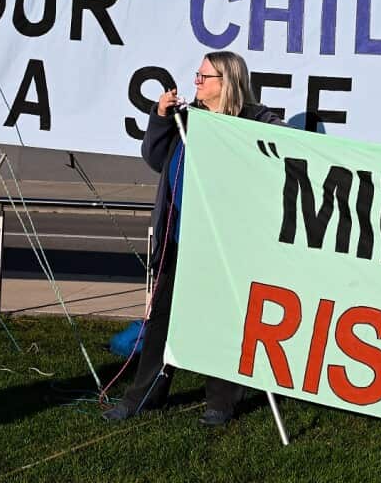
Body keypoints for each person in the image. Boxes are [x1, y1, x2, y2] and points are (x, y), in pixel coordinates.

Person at [103, 51, 284, 425]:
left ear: (227, 82)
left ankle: (220, 403)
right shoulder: (187, 120)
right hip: (180, 239)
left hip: (225, 246)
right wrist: (160, 118)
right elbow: (155, 158)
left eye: (204, 77)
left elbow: (280, 147)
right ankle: (143, 395)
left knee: (221, 323)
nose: (196, 82)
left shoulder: (253, 120)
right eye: (197, 76)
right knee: (160, 323)